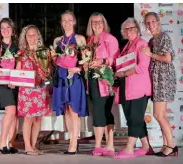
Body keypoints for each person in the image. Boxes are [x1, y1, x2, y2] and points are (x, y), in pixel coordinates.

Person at [113, 18, 154, 159]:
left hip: (138, 87)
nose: (128, 31)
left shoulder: (142, 44)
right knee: (133, 118)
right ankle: (146, 146)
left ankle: (129, 148)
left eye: (131, 28)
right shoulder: (126, 46)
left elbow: (142, 67)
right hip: (126, 88)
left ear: (137, 29)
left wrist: (123, 73)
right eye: (126, 29)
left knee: (135, 118)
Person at [51, 10, 88, 154]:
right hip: (61, 77)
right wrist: (54, 59)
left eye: (69, 20)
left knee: (74, 110)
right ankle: (72, 141)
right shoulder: (57, 41)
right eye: (63, 20)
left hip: (74, 77)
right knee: (66, 109)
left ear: (74, 22)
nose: (66, 23)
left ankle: (74, 143)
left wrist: (77, 69)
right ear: (61, 23)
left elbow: (86, 61)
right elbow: (55, 61)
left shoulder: (80, 39)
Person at [141, 12, 178, 157]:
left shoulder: (164, 37)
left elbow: (167, 59)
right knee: (161, 114)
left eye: (153, 22)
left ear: (158, 22)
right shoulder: (151, 40)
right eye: (148, 23)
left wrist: (150, 55)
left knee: (157, 114)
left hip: (164, 79)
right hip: (156, 80)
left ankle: (171, 145)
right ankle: (166, 145)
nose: (151, 25)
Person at [85, 12, 119, 156]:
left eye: (100, 22)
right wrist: (86, 64)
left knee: (103, 110)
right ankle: (104, 145)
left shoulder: (110, 39)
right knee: (100, 110)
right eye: (94, 22)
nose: (97, 24)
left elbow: (115, 58)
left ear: (104, 23)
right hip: (93, 79)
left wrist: (102, 61)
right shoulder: (89, 40)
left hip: (106, 78)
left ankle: (104, 145)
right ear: (90, 25)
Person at [16, 25, 51, 155]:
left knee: (38, 119)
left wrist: (46, 74)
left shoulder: (44, 52)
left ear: (38, 36)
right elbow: (18, 72)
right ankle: (27, 146)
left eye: (34, 35)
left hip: (40, 89)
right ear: (25, 38)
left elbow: (49, 71)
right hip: (27, 91)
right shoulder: (21, 54)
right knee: (28, 118)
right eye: (29, 35)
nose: (31, 38)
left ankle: (33, 145)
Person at [0, 18, 19, 154]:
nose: (5, 30)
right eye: (2, 28)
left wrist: (16, 78)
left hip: (16, 82)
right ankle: (2, 144)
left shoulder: (18, 45)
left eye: (8, 27)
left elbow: (20, 63)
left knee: (15, 114)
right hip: (2, 81)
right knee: (10, 111)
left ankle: (10, 143)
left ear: (12, 30)